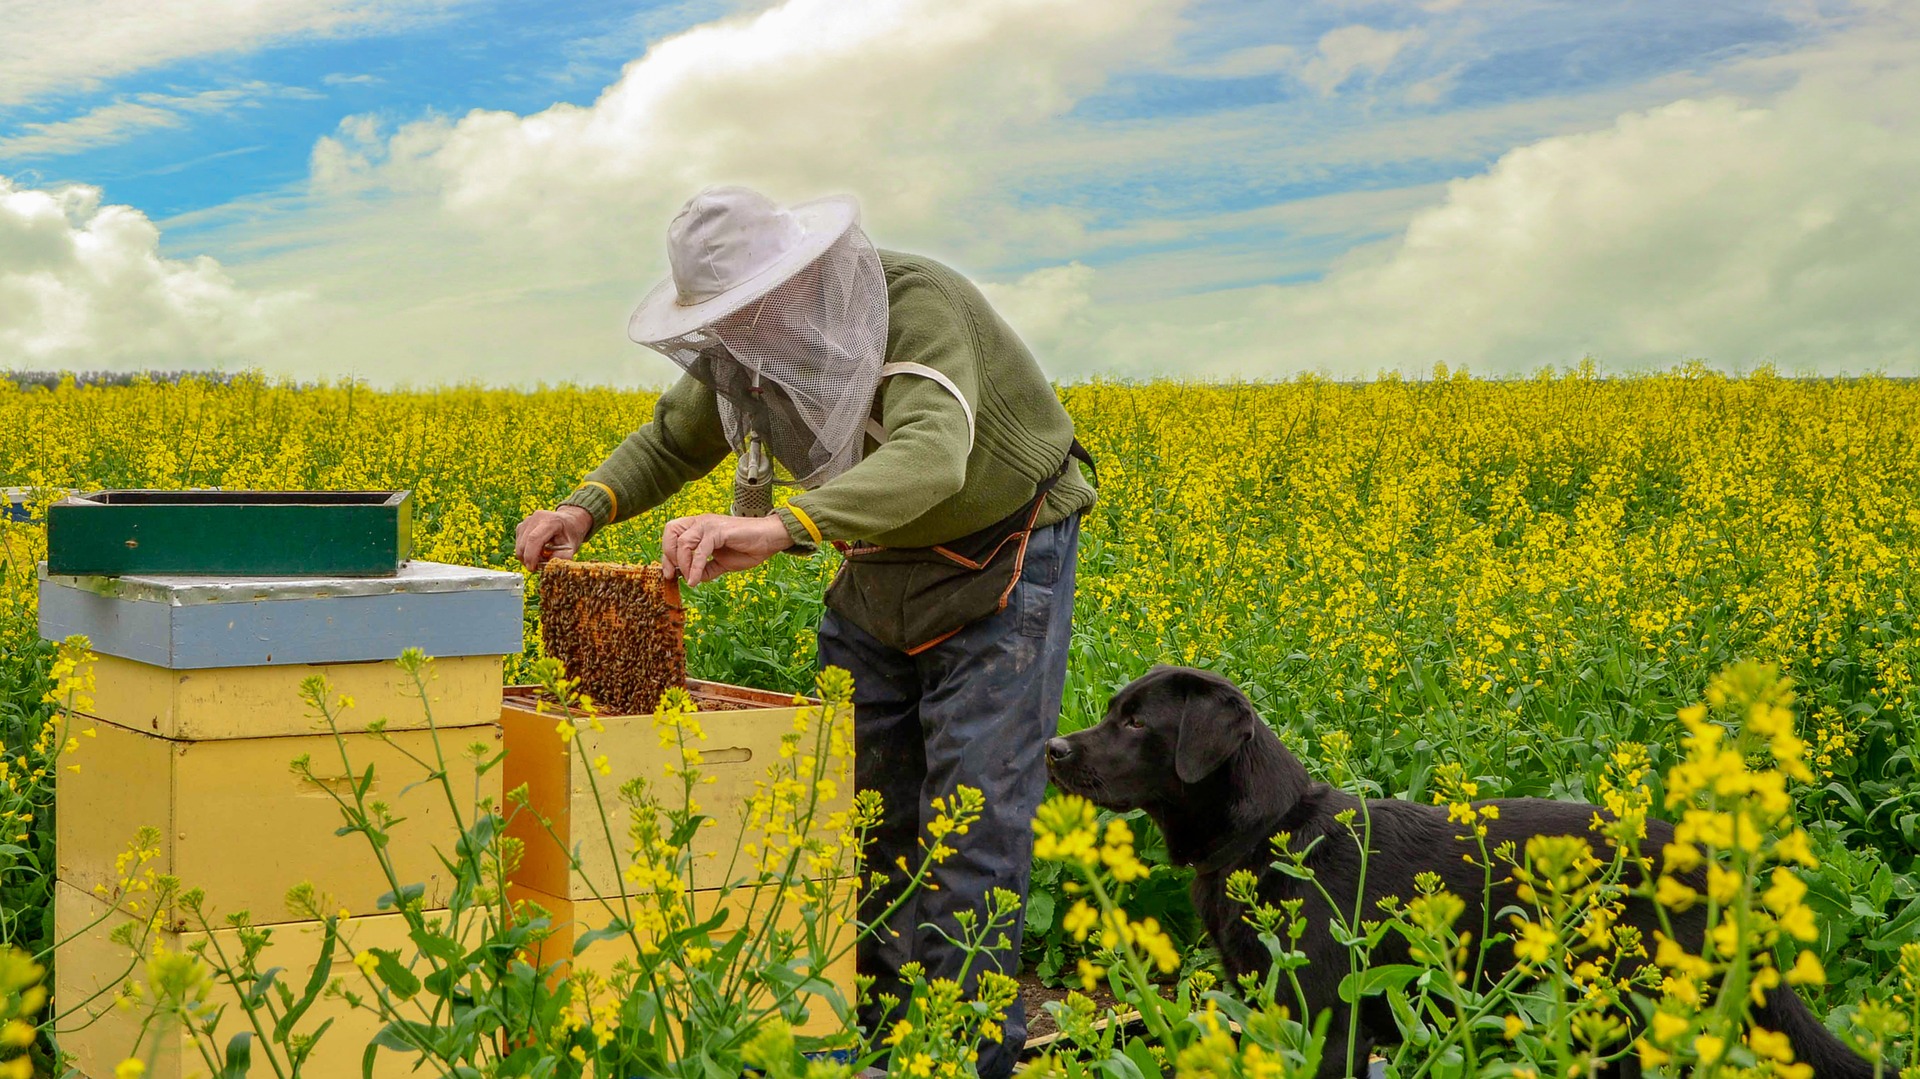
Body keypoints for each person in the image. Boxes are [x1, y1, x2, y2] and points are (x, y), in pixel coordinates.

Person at [513, 186, 1095, 1075]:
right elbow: (673, 438)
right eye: (722, 318)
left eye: (748, 309)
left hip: (1002, 553)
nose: (738, 330)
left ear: (802, 278)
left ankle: (955, 1056)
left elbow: (932, 455)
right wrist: (585, 507)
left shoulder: (917, 307)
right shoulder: (751, 351)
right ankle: (864, 1027)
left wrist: (780, 526)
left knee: (971, 818)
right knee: (856, 814)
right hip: (874, 561)